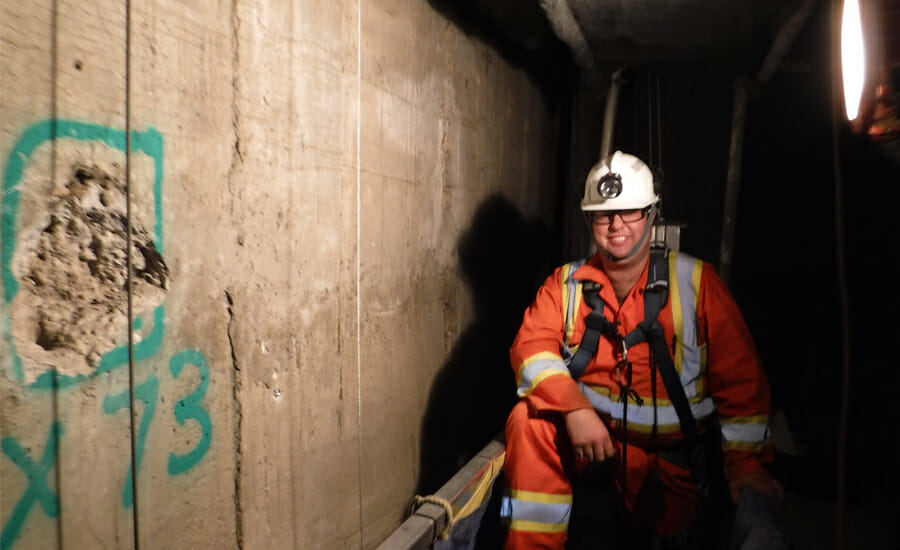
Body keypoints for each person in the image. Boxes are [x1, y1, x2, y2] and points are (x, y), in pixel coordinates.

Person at [501, 151, 782, 549]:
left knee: (672, 535)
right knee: (527, 421)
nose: (616, 225)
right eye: (604, 214)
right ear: (590, 220)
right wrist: (574, 408)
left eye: (630, 211)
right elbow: (529, 350)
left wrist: (745, 467)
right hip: (590, 442)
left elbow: (742, 385)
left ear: (652, 214)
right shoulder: (565, 285)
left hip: (671, 455)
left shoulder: (697, 283)